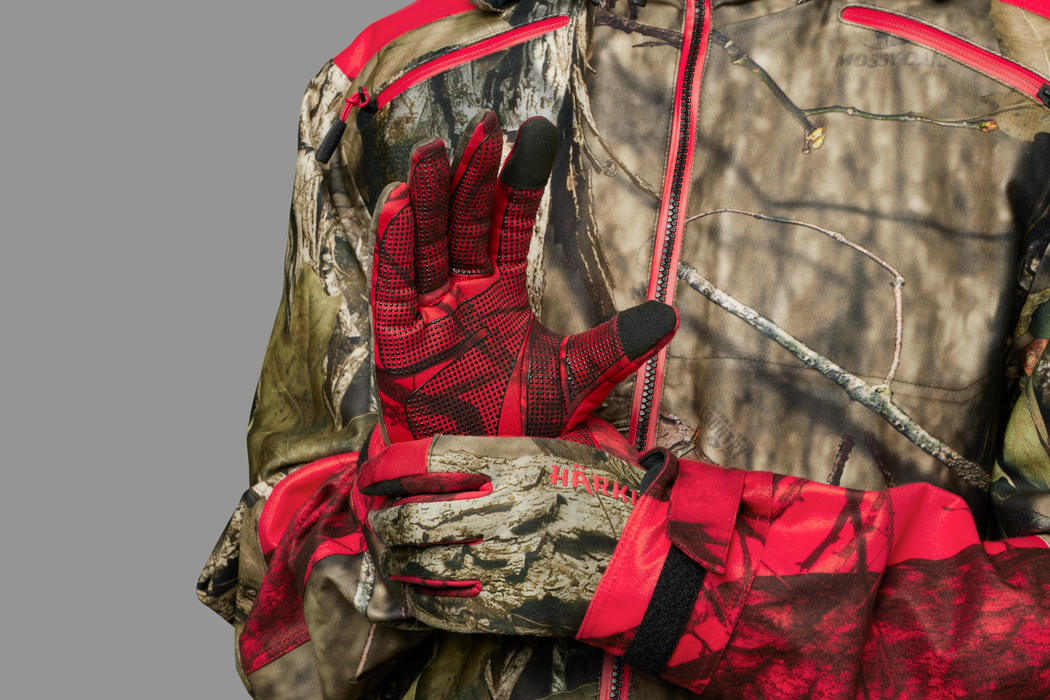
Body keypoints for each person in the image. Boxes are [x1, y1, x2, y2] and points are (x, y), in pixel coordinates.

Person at [198, 0, 1050, 697]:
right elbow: (282, 646)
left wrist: (676, 585)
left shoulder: (1023, 75)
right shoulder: (397, 78)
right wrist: (421, 482)